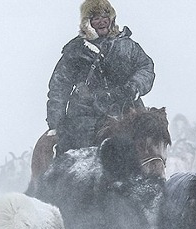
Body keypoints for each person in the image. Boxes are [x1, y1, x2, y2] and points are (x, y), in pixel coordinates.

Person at [46, 0, 155, 155]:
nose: (102, 21)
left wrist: (134, 87)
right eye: (96, 17)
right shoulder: (75, 51)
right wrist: (56, 122)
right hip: (86, 115)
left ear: (111, 19)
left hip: (126, 109)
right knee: (79, 157)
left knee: (149, 145)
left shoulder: (127, 46)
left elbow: (146, 67)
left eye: (105, 16)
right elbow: (59, 87)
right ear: (87, 23)